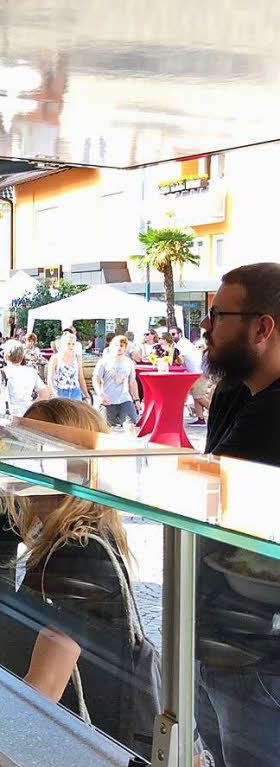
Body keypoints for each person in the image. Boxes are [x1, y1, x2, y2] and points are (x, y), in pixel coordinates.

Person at [11, 399, 161, 758]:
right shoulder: (71, 538)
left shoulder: (77, 553)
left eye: (29, 446)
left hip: (77, 744)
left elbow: (44, 687)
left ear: (70, 463)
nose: (13, 454)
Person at [196, 263, 280, 767]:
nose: (205, 326)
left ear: (262, 327)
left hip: (263, 648)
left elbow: (205, 492)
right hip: (216, 628)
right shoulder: (232, 393)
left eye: (217, 315)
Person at [0, 339, 51, 416]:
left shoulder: (2, 372)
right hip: (26, 414)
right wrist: (31, 406)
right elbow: (45, 395)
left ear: (5, 356)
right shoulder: (31, 372)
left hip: (5, 415)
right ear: (22, 357)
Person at [92, 336, 140, 426]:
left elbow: (132, 382)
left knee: (131, 425)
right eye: (116, 345)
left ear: (125, 348)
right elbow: (96, 378)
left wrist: (136, 399)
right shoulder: (104, 362)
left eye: (121, 345)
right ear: (111, 346)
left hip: (125, 399)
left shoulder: (129, 363)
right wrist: (100, 394)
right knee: (106, 427)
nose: (119, 348)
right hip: (108, 400)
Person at [170, 325, 211, 424]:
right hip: (196, 372)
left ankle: (219, 413)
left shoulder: (182, 344)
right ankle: (200, 419)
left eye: (173, 334)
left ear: (180, 334)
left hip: (198, 372)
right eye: (170, 334)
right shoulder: (181, 343)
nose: (172, 336)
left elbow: (180, 360)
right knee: (196, 395)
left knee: (199, 396)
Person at [47, 330, 89, 401]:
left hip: (75, 392)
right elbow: (50, 380)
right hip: (60, 392)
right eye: (68, 344)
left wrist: (86, 395)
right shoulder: (55, 358)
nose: (71, 346)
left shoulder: (77, 358)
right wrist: (55, 395)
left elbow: (80, 377)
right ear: (63, 344)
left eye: (73, 344)